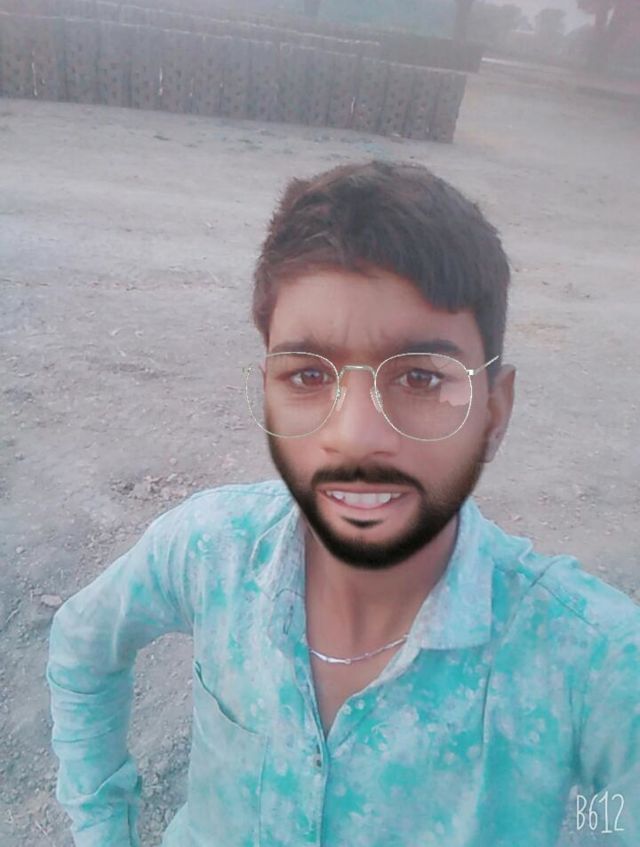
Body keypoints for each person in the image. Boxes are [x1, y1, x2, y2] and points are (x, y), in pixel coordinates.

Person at [47, 161, 639, 847]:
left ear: (493, 414)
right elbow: (82, 645)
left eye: (421, 378)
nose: (354, 435)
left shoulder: (589, 662)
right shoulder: (214, 551)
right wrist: (102, 827)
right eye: (307, 375)